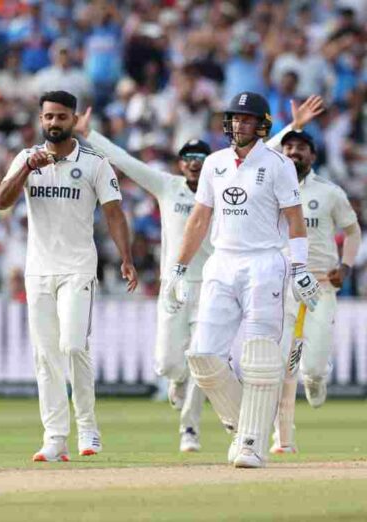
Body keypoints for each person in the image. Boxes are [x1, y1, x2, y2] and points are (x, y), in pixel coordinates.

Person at [164, 91, 320, 468]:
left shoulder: (279, 165)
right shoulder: (214, 163)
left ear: (263, 125)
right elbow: (199, 219)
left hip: (265, 262)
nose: (239, 124)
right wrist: (178, 269)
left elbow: (295, 220)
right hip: (221, 262)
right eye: (235, 118)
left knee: (260, 358)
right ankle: (245, 428)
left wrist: (300, 268)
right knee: (202, 357)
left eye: (247, 119)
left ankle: (251, 444)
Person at [0, 90, 137, 462]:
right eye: (48, 117)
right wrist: (26, 169)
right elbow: (0, 201)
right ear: (40, 120)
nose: (54, 123)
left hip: (78, 268)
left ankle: (87, 427)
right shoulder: (26, 158)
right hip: (38, 270)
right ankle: (55, 438)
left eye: (61, 116)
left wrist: (126, 258)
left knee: (73, 346)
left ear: (74, 120)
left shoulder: (95, 163)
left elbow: (114, 213)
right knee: (46, 356)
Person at [75, 109, 211, 453]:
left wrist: (292, 128)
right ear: (180, 164)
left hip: (211, 285)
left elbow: (255, 159)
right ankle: (177, 377)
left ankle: (190, 429)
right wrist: (90, 135)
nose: (194, 164)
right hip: (174, 284)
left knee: (203, 355)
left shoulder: (223, 188)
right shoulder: (168, 186)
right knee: (168, 363)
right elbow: (126, 162)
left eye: (200, 158)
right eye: (189, 158)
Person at [266, 129, 360, 454]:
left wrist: (345, 267)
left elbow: (352, 231)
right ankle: (283, 438)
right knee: (281, 365)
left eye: (301, 147)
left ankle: (317, 379)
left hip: (321, 287)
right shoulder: (270, 189)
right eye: (288, 146)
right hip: (283, 287)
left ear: (313, 155)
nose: (294, 152)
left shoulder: (329, 192)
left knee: (312, 369)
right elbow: (247, 161)